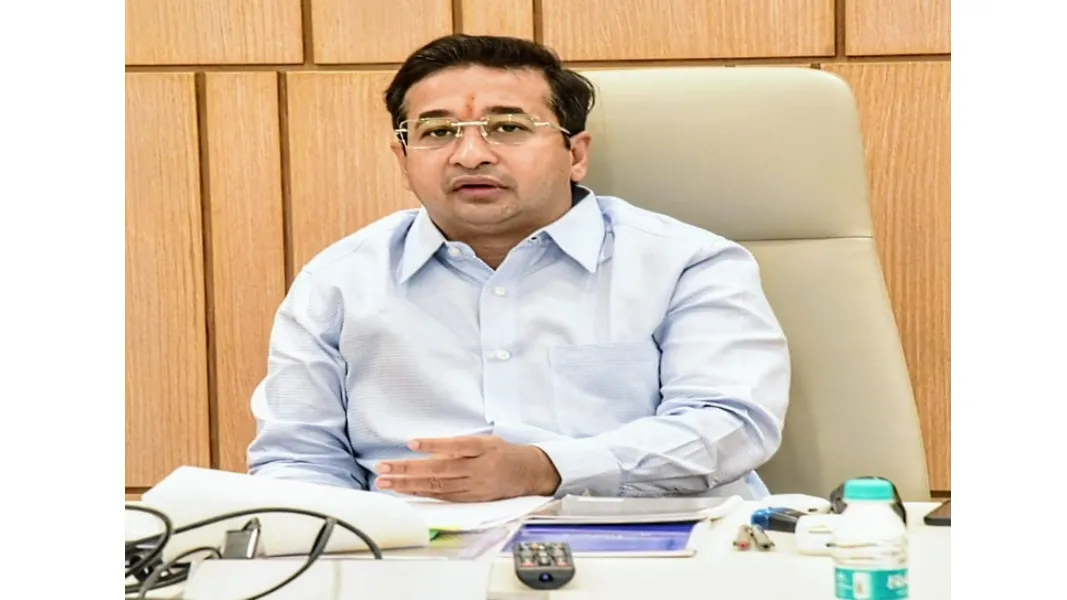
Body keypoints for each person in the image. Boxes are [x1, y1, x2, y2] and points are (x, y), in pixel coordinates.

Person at [247, 34, 791, 503]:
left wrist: (546, 469)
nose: (470, 155)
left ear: (575, 154)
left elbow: (731, 426)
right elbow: (298, 458)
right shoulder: (339, 282)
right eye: (438, 132)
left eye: (507, 127)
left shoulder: (687, 264)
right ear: (403, 159)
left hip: (659, 549)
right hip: (419, 557)